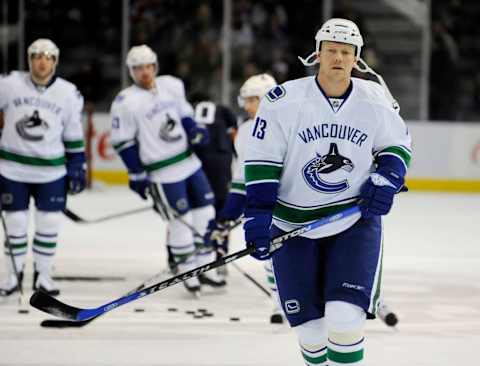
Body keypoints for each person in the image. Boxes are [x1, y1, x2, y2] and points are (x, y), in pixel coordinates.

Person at [243, 18, 412, 365]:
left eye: (346, 52)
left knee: (345, 319)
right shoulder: (283, 100)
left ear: (357, 59)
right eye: (331, 50)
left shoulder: (375, 99)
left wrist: (385, 180)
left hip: (353, 221)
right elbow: (262, 161)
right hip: (291, 225)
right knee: (311, 331)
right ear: (317, 54)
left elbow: (397, 147)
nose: (338, 57)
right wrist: (259, 215)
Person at [110, 45, 225, 296]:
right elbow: (123, 142)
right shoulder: (125, 102)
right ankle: (187, 271)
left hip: (189, 163)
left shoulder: (171, 85)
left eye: (148, 66)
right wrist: (136, 173)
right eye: (138, 68)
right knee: (180, 221)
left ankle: (205, 267)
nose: (144, 72)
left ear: (155, 66)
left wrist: (195, 130)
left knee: (206, 213)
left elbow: (184, 113)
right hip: (162, 172)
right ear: (131, 71)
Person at [0, 38, 86, 297]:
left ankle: (43, 277)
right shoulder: (8, 84)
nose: (42, 61)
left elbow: (73, 131)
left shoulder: (68, 92)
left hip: (52, 171)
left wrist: (77, 166)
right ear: (30, 59)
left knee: (48, 224)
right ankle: (13, 277)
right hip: (12, 169)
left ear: (55, 61)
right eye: (37, 56)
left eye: (48, 57)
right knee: (15, 223)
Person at [206, 73, 285, 323]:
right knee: (273, 256)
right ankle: (279, 303)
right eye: (246, 100)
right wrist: (229, 214)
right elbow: (243, 176)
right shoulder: (246, 129)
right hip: (270, 205)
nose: (248, 106)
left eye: (253, 99)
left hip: (296, 202)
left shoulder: (291, 124)